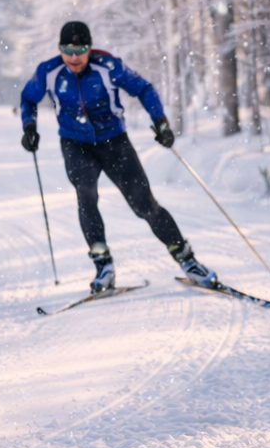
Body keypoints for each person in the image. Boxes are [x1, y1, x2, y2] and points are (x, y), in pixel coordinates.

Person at [19, 20, 219, 294]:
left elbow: (143, 88)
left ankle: (187, 260)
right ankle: (103, 266)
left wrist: (160, 121)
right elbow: (28, 98)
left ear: (90, 48)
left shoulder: (108, 66)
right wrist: (29, 127)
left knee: (144, 205)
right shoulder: (49, 71)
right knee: (86, 197)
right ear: (60, 49)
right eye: (68, 50)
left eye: (81, 49)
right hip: (75, 143)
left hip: (114, 142)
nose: (74, 57)